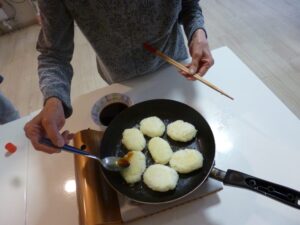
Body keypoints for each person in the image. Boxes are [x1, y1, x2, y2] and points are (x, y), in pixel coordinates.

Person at [24, 0, 214, 154]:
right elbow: (53, 53)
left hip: (175, 69)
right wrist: (53, 99)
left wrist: (198, 33)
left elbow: (189, 7)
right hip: (121, 80)